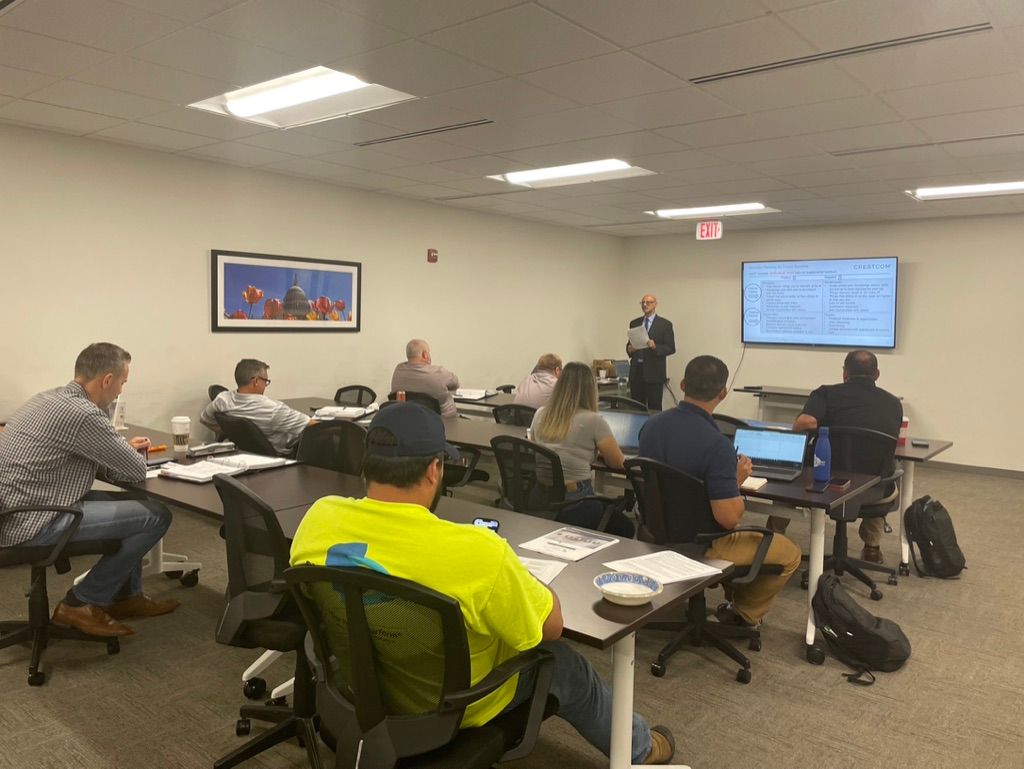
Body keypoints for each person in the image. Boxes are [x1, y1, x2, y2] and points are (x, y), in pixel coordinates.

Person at [290, 402, 676, 764]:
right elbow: (552, 627)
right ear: (433, 470)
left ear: (366, 464)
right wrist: (517, 573)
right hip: (452, 704)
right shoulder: (477, 552)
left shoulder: (319, 519)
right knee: (565, 666)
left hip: (359, 682)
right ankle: (640, 748)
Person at [0, 343, 178, 638]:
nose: (121, 391)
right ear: (107, 380)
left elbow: (72, 453)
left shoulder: (46, 398)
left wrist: (112, 449)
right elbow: (134, 470)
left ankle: (126, 597)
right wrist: (119, 449)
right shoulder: (84, 414)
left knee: (137, 501)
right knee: (156, 515)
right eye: (122, 382)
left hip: (15, 508)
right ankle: (80, 602)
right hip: (34, 520)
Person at [638, 355, 801, 627]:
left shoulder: (650, 427)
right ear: (723, 393)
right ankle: (743, 614)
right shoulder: (717, 445)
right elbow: (728, 519)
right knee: (789, 553)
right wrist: (735, 481)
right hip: (704, 543)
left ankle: (728, 598)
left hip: (654, 533)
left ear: (682, 384)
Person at [781, 349, 903, 564]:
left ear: (845, 373)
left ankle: (774, 537)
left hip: (822, 483)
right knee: (881, 468)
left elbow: (805, 423)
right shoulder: (893, 403)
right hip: (872, 488)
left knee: (790, 474)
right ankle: (872, 547)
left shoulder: (826, 393)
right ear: (877, 375)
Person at [200, 358, 311, 454]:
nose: (266, 385)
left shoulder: (222, 400)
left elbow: (204, 419)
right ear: (256, 381)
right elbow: (313, 426)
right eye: (266, 381)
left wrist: (232, 432)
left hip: (243, 455)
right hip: (281, 459)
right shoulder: (273, 409)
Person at [626, 294, 675, 411]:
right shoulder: (634, 323)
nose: (644, 305)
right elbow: (630, 343)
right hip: (636, 371)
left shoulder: (665, 325)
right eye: (642, 302)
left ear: (655, 304)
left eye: (648, 302)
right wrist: (629, 349)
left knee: (654, 408)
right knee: (636, 408)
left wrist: (655, 346)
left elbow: (671, 348)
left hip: (654, 374)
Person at [390, 339, 460, 418]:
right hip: (444, 424)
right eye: (429, 352)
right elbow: (456, 383)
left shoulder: (398, 370)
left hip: (409, 421)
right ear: (425, 355)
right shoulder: (438, 372)